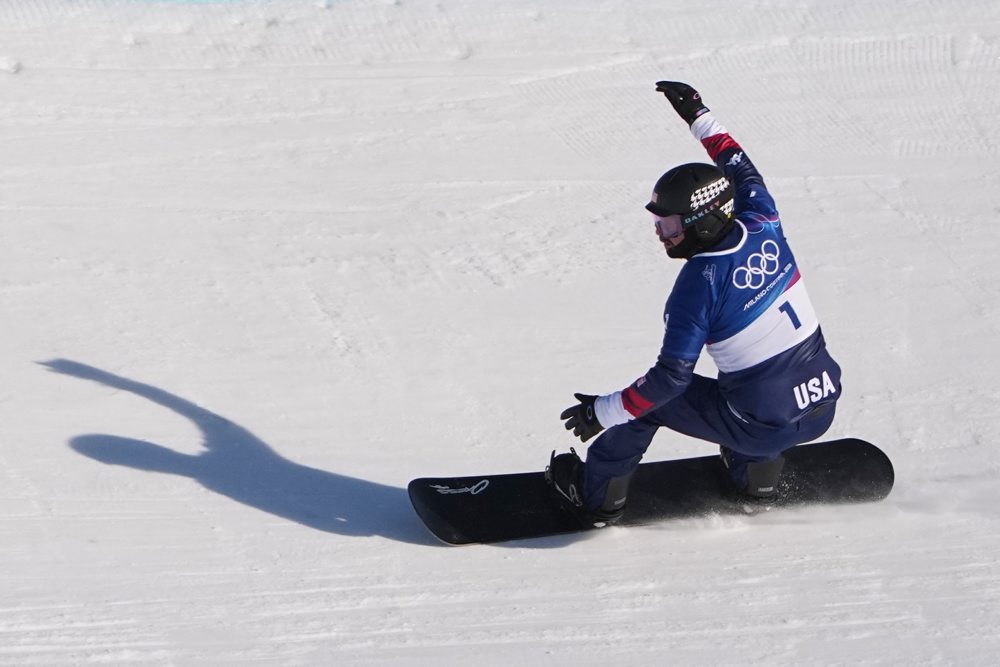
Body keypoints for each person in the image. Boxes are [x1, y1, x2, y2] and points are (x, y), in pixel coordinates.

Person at [547, 81, 842, 528]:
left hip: (764, 425)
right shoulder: (762, 219)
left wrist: (600, 412)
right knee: (743, 379)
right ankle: (756, 477)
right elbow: (737, 164)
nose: (661, 236)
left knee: (651, 403)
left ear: (703, 223)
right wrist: (696, 113)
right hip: (822, 405)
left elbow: (669, 381)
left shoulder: (698, 284)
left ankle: (598, 496)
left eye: (668, 226)